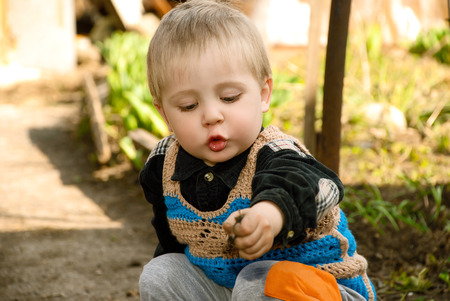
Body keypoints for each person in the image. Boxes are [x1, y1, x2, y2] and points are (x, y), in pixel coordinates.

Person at [139, 0, 376, 300]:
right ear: (165, 114)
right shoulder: (163, 166)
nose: (211, 115)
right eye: (189, 105)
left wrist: (269, 215)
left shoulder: (276, 153)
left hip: (320, 288)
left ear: (263, 95)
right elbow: (172, 242)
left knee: (258, 281)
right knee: (161, 272)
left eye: (229, 97)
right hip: (230, 289)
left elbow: (318, 187)